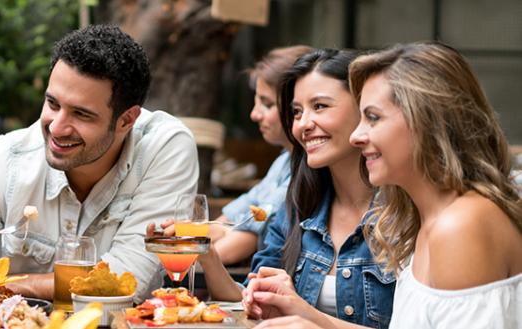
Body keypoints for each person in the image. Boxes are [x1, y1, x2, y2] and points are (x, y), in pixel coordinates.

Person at [245, 42, 522, 329]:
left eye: (373, 118)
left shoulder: (462, 225)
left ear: (425, 121)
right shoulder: (426, 216)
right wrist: (307, 315)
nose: (357, 136)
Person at [0, 24, 200, 300]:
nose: (56, 128)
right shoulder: (8, 158)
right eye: (53, 104)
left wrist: (0, 286)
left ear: (127, 120)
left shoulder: (164, 147)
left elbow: (125, 282)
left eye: (81, 114)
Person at [151, 49, 396, 328]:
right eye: (296, 112)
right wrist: (205, 252)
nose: (303, 124)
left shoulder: (403, 215)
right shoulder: (299, 206)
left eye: (320, 106)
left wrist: (310, 319)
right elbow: (247, 300)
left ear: (364, 111)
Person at [212, 45, 312, 265]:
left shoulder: (311, 171)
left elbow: (243, 240)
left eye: (266, 104)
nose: (254, 114)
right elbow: (234, 216)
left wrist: (180, 253)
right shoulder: (283, 161)